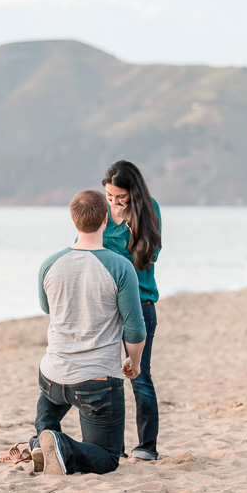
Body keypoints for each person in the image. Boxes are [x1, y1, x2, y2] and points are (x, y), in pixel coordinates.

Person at [1, 189, 146, 475]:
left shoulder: (50, 264)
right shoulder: (120, 267)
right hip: (96, 382)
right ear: (106, 218)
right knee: (107, 457)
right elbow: (135, 328)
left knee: (48, 423)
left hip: (53, 376)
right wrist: (135, 362)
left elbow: (47, 308)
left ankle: (43, 442)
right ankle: (58, 445)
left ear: (73, 220)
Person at [101, 160, 162, 461]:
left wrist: (126, 223)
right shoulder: (101, 212)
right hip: (108, 305)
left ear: (133, 193)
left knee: (139, 375)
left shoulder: (150, 209)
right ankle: (115, 446)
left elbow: (148, 255)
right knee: (110, 376)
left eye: (120, 197)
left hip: (141, 303)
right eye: (109, 196)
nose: (114, 202)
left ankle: (146, 447)